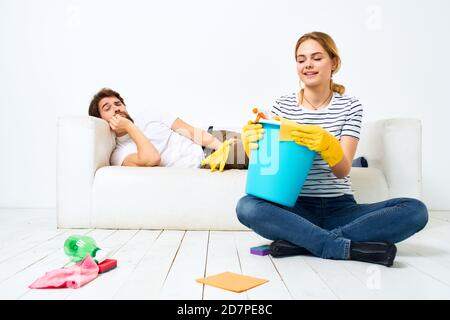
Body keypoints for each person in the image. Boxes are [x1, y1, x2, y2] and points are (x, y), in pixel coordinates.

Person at [236, 31, 428, 267]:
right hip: (296, 208)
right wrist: (255, 149)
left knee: (415, 210)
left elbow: (342, 169)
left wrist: (328, 144)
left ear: (334, 62)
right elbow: (273, 172)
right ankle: (335, 244)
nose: (308, 64)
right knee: (247, 206)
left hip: (341, 208)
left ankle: (303, 241)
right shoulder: (282, 106)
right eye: (301, 59)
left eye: (317, 57)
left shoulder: (350, 106)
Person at [88, 88, 248, 170]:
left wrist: (222, 146)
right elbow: (152, 159)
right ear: (101, 120)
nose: (116, 109)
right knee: (260, 153)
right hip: (206, 160)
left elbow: (191, 131)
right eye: (107, 108)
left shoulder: (150, 115)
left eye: (118, 104)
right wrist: (130, 127)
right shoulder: (120, 154)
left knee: (263, 137)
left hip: (212, 138)